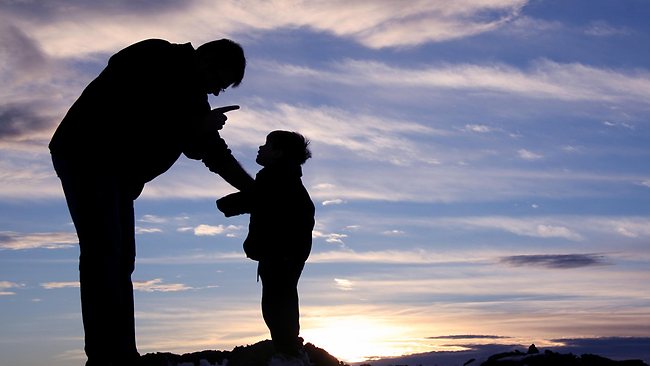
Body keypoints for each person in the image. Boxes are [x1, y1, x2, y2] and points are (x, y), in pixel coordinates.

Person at [49, 38, 254, 366]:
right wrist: (192, 125)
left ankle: (121, 354)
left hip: (117, 175)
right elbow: (129, 108)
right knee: (104, 253)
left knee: (120, 260)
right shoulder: (154, 55)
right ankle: (107, 357)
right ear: (206, 59)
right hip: (86, 154)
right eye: (219, 81)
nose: (216, 91)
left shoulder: (194, 99)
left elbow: (214, 153)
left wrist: (253, 190)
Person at [217, 131, 315, 366]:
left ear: (279, 152)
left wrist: (225, 204)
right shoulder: (282, 177)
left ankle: (289, 355)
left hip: (281, 253)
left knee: (277, 305)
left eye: (267, 145)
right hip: (284, 252)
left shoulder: (278, 177)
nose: (260, 148)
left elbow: (255, 199)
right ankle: (289, 352)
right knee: (280, 302)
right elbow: (261, 199)